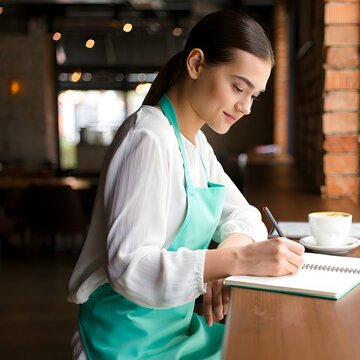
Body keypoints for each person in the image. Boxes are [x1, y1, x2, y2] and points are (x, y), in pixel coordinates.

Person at [68, 10, 305, 360]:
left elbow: (245, 215)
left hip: (174, 333)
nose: (246, 107)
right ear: (196, 64)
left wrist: (226, 260)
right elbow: (130, 269)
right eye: (238, 87)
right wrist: (236, 260)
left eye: (254, 95)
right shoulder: (147, 138)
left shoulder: (195, 146)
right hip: (124, 342)